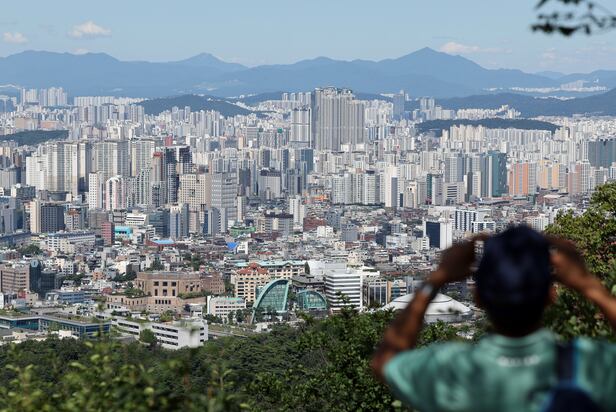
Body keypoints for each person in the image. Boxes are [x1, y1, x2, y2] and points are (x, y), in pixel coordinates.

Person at [371, 225, 616, 412]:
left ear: (478, 297)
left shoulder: (452, 370)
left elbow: (385, 361)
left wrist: (436, 279)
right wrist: (588, 285)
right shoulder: (592, 367)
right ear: (551, 296)